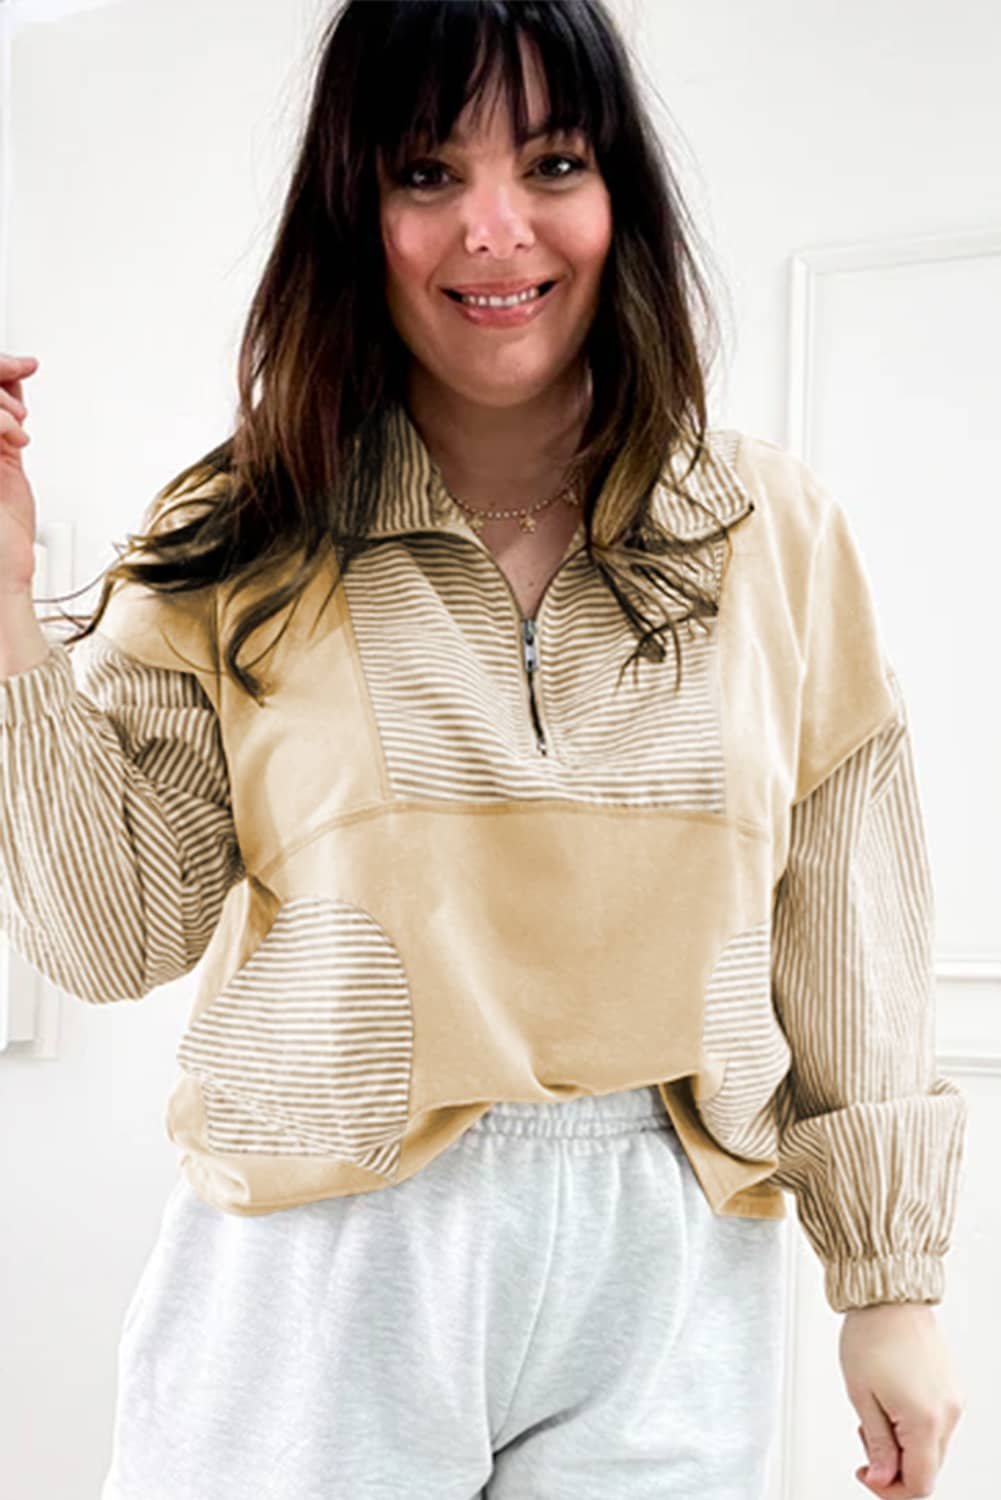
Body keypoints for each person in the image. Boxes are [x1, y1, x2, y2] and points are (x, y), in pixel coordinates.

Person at [0, 2, 967, 1497]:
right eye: (426, 172)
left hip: (668, 1252)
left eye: (554, 163)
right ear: (354, 211)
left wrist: (889, 1286)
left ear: (619, 196)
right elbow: (111, 936)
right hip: (322, 1254)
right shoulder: (238, 531)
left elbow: (848, 917)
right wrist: (6, 614)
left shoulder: (771, 533)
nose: (496, 230)